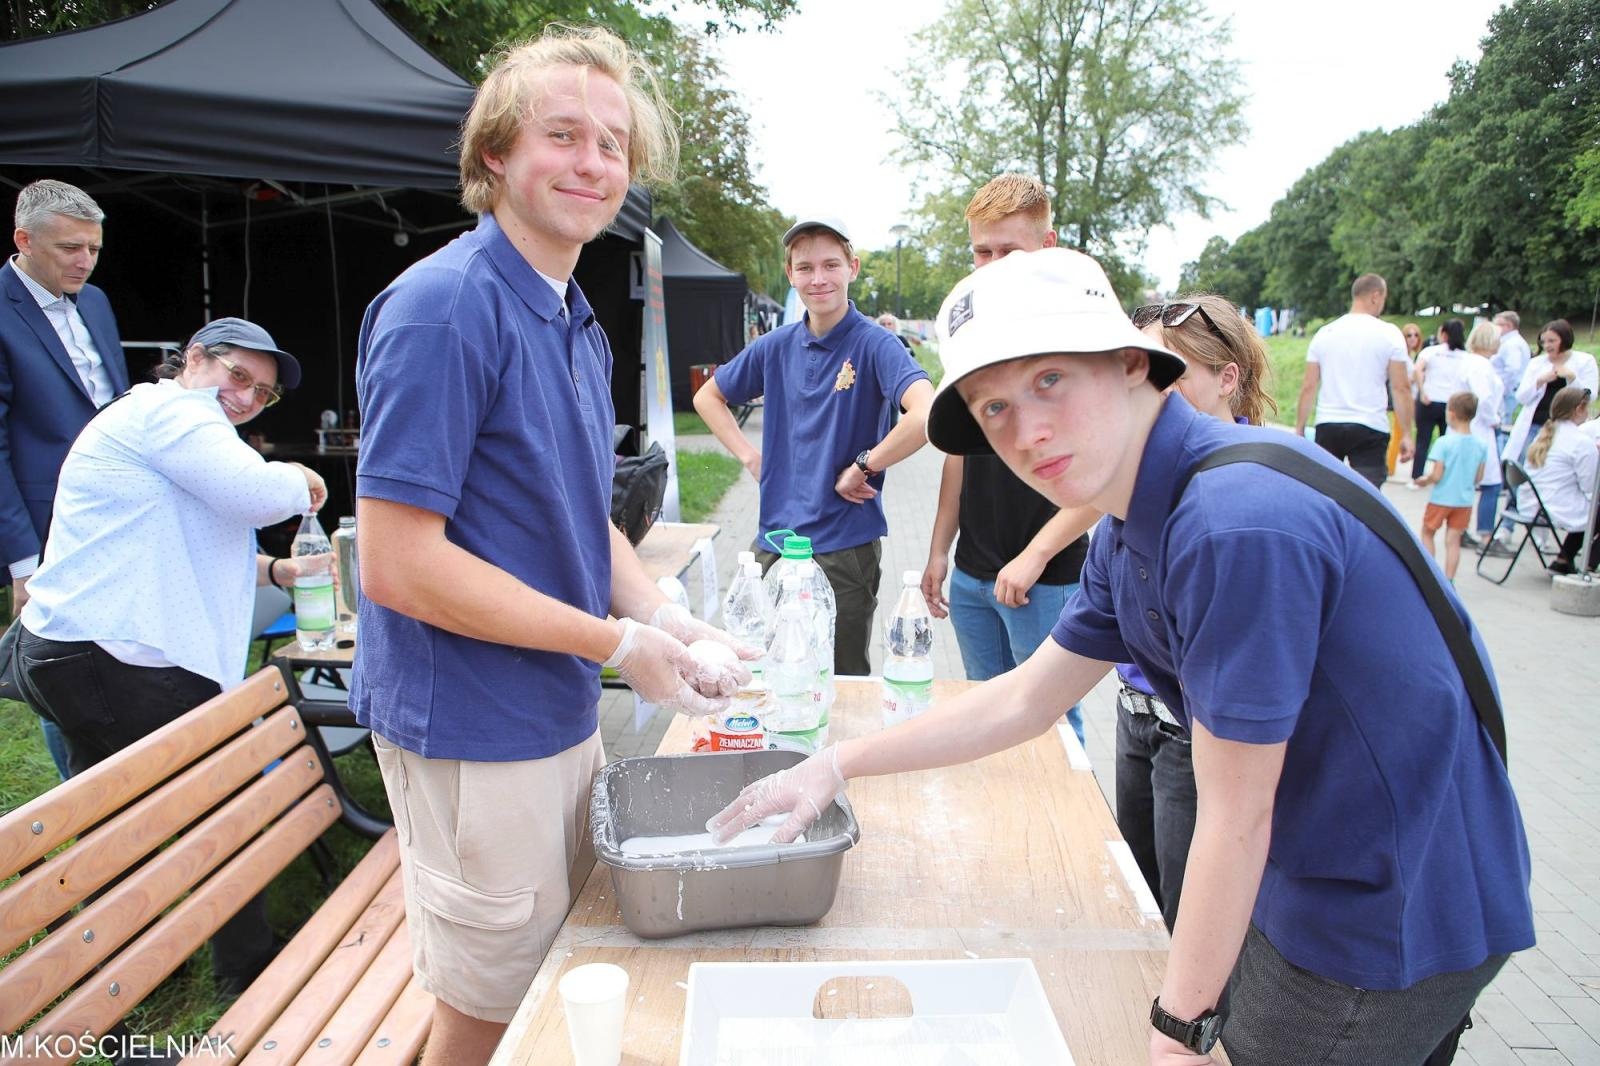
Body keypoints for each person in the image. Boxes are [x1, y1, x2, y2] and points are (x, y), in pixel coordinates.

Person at [714, 247, 1534, 1066]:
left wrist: (1179, 1031)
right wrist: (838, 764)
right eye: (993, 409)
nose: (1026, 432)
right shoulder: (1129, 522)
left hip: (1387, 906)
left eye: (1050, 381)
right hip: (1321, 865)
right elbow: (1023, 699)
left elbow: (1234, 815)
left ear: (1133, 364)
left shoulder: (1230, 522)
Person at [351, 28, 750, 1065]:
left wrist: (666, 616)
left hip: (554, 710)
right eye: (562, 135)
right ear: (494, 156)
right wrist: (616, 645)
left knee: (551, 977)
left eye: (612, 144)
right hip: (472, 725)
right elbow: (398, 563)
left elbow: (584, 523)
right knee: (490, 1010)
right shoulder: (445, 308)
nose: (592, 163)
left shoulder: (574, 313)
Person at [14, 316, 325, 993]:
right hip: (114, 657)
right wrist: (298, 474)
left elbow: (189, 536)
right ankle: (240, 971)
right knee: (226, 805)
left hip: (80, 648)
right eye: (237, 375)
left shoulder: (164, 424)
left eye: (263, 394)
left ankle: (137, 973)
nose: (245, 398)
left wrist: (278, 573)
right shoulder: (177, 412)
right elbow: (257, 494)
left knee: (119, 823)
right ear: (191, 359)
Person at [694, 215, 934, 675]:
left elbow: (926, 414)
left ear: (853, 267)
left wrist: (866, 464)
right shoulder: (774, 346)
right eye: (805, 268)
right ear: (791, 275)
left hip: (843, 549)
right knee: (762, 673)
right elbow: (708, 397)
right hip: (775, 543)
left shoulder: (876, 345)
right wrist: (750, 456)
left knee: (841, 680)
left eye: (830, 265)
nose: (818, 278)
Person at [1112, 292, 1277, 933]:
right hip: (1136, 710)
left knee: (1191, 911)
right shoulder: (1141, 488)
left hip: (1197, 736)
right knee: (1140, 894)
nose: (1150, 394)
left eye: (1171, 374)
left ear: (1227, 378)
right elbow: (1037, 688)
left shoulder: (1238, 504)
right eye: (1140, 374)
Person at [922, 174, 1091, 742]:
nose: (991, 266)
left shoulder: (1081, 340)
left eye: (1007, 251)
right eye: (981, 251)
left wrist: (1035, 556)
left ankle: (1065, 834)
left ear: (1048, 246)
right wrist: (939, 551)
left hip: (1044, 576)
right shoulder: (969, 337)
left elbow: (1107, 478)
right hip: (973, 575)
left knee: (1053, 730)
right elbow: (959, 453)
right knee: (983, 719)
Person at [1, 178, 129, 779]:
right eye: (69, 248)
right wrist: (22, 562)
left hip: (120, 511)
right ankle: (82, 804)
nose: (84, 262)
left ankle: (130, 787)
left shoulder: (96, 302)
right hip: (48, 521)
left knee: (119, 653)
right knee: (63, 665)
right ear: (24, 240)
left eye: (94, 249)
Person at [1296, 273, 1414, 489]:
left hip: (1329, 422)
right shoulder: (1389, 333)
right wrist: (1407, 433)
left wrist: (1300, 428)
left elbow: (1309, 386)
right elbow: (1401, 388)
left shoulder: (1325, 333)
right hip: (1370, 423)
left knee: (1325, 492)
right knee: (1367, 500)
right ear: (1375, 296)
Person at [1521, 386, 1599, 575]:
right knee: (1596, 509)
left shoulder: (1545, 432)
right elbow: (1590, 486)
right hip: (1556, 507)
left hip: (1532, 504)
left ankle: (1563, 560)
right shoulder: (1580, 441)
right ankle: (1587, 566)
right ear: (1579, 409)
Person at [1414, 392, 1488, 581]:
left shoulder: (1443, 443)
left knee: (1428, 532)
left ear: (1451, 413)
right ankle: (1449, 580)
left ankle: (1430, 576)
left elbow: (1437, 475)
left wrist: (1424, 480)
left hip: (1441, 498)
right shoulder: (1481, 445)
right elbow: (1478, 477)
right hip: (1464, 500)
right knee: (1453, 540)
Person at [1502, 319, 1598, 464]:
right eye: (1543, 342)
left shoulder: (1584, 361)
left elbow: (1590, 396)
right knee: (1525, 463)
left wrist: (1572, 378)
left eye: (1552, 341)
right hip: (1535, 423)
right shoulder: (1536, 363)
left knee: (1555, 464)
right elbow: (1521, 397)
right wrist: (1540, 381)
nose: (1547, 346)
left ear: (1564, 339)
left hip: (1564, 425)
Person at [1411, 319, 1474, 483]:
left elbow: (1417, 369)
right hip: (1453, 403)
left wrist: (1422, 390)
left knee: (1423, 439)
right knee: (1449, 440)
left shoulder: (1431, 351)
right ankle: (1444, 474)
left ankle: (1417, 474)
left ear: (1444, 334)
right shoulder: (1466, 357)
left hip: (1429, 398)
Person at [1463, 321, 1507, 551]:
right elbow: (1484, 399)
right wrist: (1494, 419)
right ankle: (1486, 535)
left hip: (1472, 427)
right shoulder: (1481, 366)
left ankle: (1461, 529)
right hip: (1481, 428)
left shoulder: (1470, 362)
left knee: (1468, 483)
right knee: (1491, 484)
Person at [1387, 322, 1425, 477]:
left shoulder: (1413, 357)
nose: (1413, 338)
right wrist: (1413, 380)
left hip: (1412, 398)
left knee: (1401, 431)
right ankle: (1389, 465)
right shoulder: (1401, 356)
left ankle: (1390, 464)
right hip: (1403, 399)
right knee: (1399, 432)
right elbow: (1398, 380)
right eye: (1409, 335)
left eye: (1416, 335)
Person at [1491, 311, 1532, 451]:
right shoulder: (1511, 342)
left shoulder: (1511, 344)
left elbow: (1512, 370)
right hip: (1508, 391)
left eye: (1497, 325)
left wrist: (1502, 389)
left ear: (1508, 325)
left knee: (1504, 429)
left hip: (1508, 393)